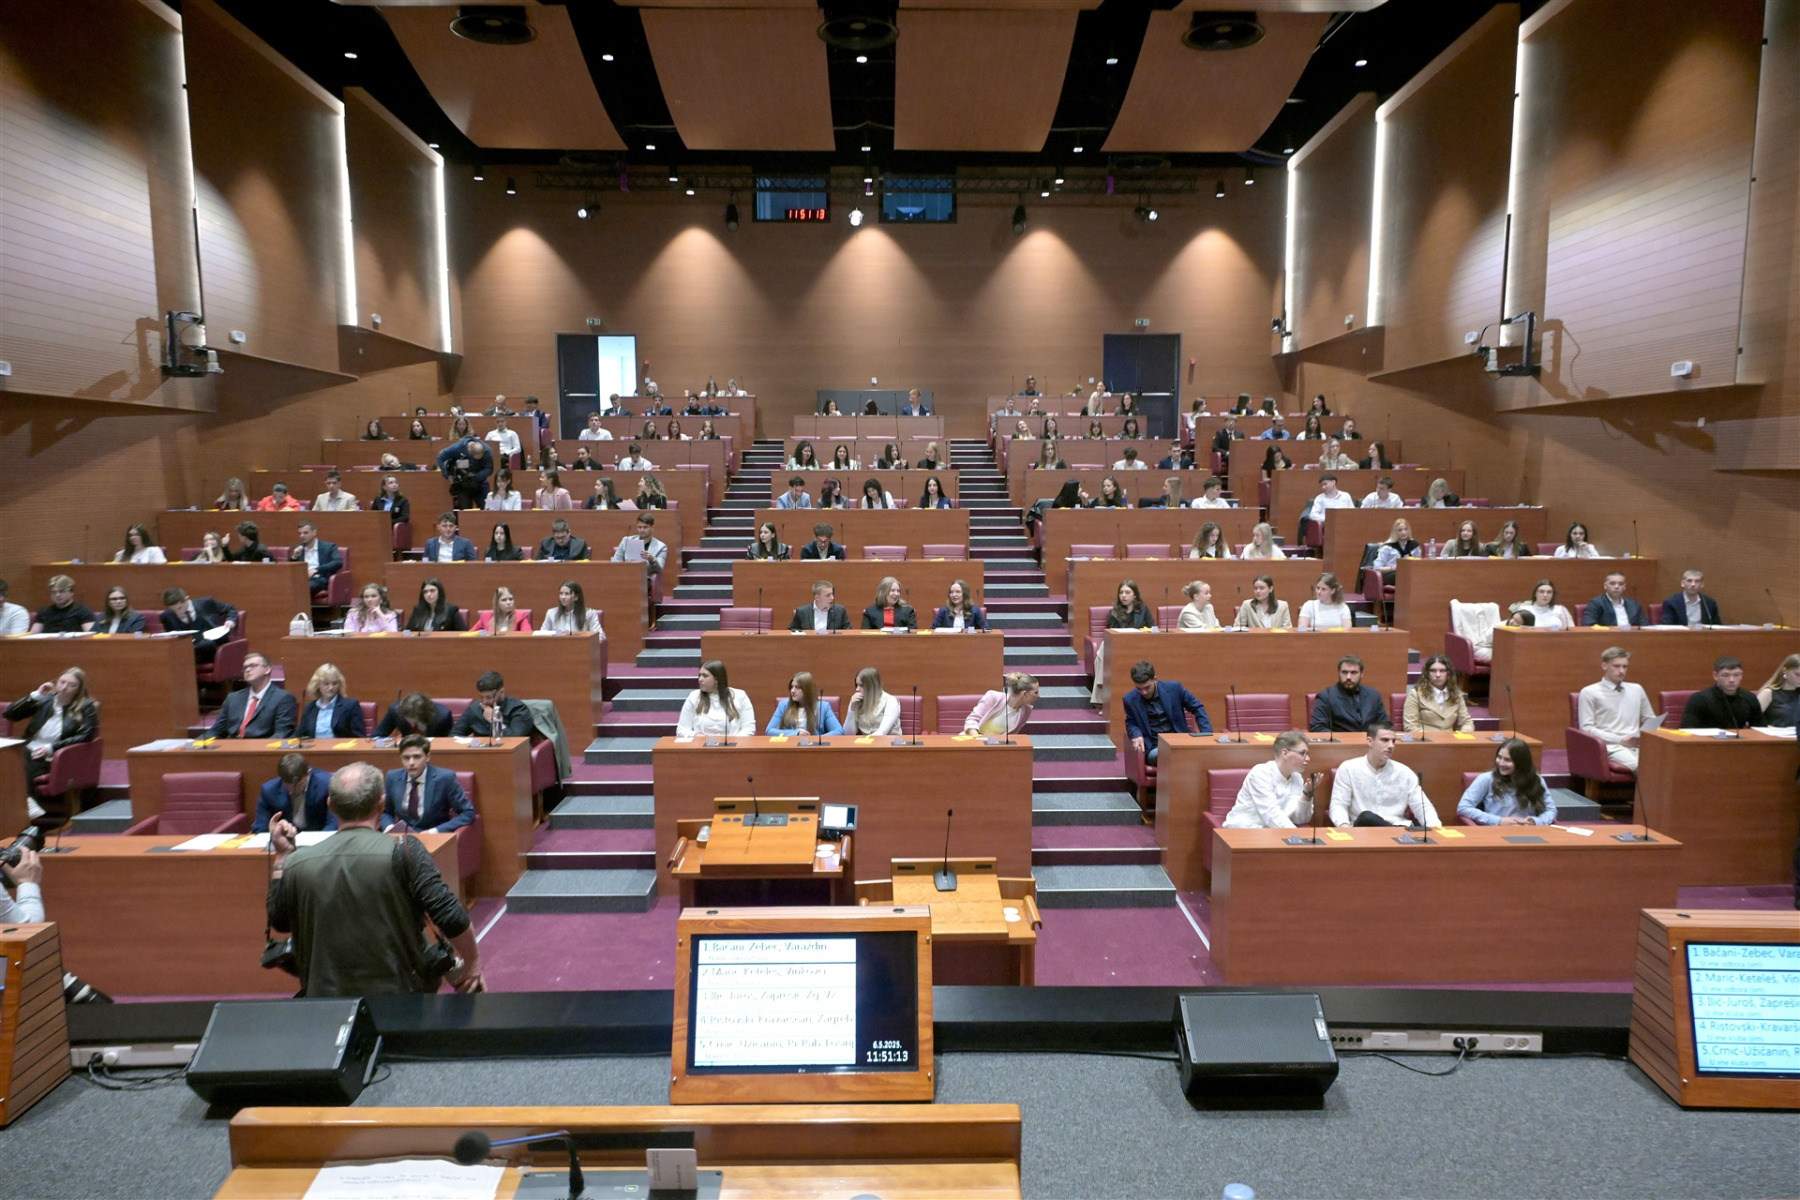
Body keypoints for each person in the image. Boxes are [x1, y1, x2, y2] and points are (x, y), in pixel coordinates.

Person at [266, 761, 482, 997]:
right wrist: (472, 964)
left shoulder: (297, 862)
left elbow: (279, 920)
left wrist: (282, 856)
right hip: (402, 995)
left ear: (331, 805)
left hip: (326, 995)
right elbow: (450, 916)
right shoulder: (405, 850)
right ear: (381, 803)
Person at [5, 669, 99, 827]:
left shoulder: (86, 707)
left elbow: (87, 735)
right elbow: (9, 714)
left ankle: (27, 806)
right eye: (62, 682)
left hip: (54, 757)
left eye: (71, 685)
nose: (64, 687)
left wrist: (52, 748)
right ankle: (26, 805)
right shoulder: (45, 700)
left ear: (78, 689)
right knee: (14, 756)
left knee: (21, 758)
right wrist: (35, 695)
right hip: (29, 750)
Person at [1330, 723, 1441, 829]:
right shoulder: (1348, 769)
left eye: (1393, 741)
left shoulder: (1405, 773)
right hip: (1362, 830)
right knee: (1367, 817)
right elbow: (1338, 804)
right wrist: (1344, 826)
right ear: (1370, 741)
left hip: (1398, 830)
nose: (1391, 746)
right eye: (1385, 740)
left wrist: (1435, 829)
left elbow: (1422, 806)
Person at [1578, 646, 1656, 772]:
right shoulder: (1589, 692)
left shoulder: (1637, 689)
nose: (1621, 671)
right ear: (1604, 666)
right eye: (1616, 666)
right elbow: (1587, 729)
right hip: (1611, 746)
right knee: (1643, 767)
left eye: (1625, 667)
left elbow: (1650, 719)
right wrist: (1620, 740)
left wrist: (1641, 737)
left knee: (1667, 763)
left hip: (1637, 744)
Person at [1220, 731, 1316, 829]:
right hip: (1245, 829)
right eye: (1302, 753)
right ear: (1285, 753)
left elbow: (1300, 819)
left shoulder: (1297, 778)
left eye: (1307, 754)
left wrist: (1307, 795)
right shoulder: (1260, 773)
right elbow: (1270, 813)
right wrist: (1295, 834)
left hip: (1274, 831)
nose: (1308, 758)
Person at [1123, 661, 1211, 763]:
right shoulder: (1130, 700)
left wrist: (1206, 734)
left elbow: (1197, 707)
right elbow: (1131, 723)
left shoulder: (1174, 688)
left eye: (1147, 687)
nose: (1144, 692)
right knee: (1169, 754)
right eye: (1139, 689)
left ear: (1155, 679)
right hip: (1155, 748)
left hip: (1180, 743)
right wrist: (1136, 734)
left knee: (1193, 752)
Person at [1458, 738, 1555, 826]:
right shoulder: (1486, 779)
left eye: (1507, 760)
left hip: (1529, 832)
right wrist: (1498, 821)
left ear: (1521, 763)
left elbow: (1551, 810)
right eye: (1499, 757)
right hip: (1496, 832)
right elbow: (1463, 807)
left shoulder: (1536, 780)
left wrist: (1536, 822)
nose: (1501, 763)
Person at [1091, 579, 1154, 706]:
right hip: (1118, 648)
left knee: (1101, 653)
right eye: (1121, 592)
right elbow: (1110, 634)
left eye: (1127, 592)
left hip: (1139, 646)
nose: (1123, 596)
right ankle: (1103, 694)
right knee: (1103, 647)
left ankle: (1100, 696)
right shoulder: (1114, 612)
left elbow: (1153, 628)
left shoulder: (1144, 610)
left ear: (1134, 595)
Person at [210, 651, 298, 740]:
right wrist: (201, 742)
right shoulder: (233, 698)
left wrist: (261, 747)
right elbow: (217, 730)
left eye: (253, 666)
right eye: (245, 667)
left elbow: (282, 733)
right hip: (233, 745)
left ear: (267, 669)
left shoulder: (283, 698)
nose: (247, 670)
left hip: (263, 746)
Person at [254, 753, 335, 833]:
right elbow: (260, 828)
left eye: (299, 784)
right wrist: (274, 834)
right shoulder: (269, 791)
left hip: (319, 836)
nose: (294, 790)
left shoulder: (327, 785)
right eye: (288, 786)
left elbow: (334, 823)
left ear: (308, 773)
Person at [1680, 656, 1766, 730]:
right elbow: (1687, 729)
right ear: (1715, 676)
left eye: (1736, 675)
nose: (1731, 680)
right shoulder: (1699, 699)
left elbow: (1760, 729)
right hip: (1706, 742)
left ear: (1742, 675)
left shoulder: (1750, 698)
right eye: (1725, 675)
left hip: (1737, 742)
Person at [677, 660, 755, 739]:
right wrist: (697, 737)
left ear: (717, 679)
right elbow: (681, 730)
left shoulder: (740, 696)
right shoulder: (694, 696)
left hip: (733, 745)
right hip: (702, 745)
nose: (700, 679)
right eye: (699, 675)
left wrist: (734, 741)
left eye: (705, 676)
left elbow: (749, 728)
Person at [1310, 655, 1389, 732]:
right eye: (1344, 672)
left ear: (1362, 674)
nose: (1348, 677)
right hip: (1341, 741)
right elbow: (1317, 727)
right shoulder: (1326, 696)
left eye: (1353, 673)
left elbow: (1385, 724)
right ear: (1339, 673)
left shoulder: (1373, 695)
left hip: (1369, 740)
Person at [452, 671, 535, 739]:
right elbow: (454, 735)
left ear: (501, 692)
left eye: (489, 697)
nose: (484, 702)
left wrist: (494, 720)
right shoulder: (474, 709)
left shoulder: (518, 709)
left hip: (508, 752)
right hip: (480, 751)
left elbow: (515, 740)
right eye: (482, 697)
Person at [1404, 654, 1475, 733]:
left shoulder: (1456, 694)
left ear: (1448, 674)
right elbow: (1410, 727)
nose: (1438, 675)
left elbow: (1467, 723)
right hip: (1425, 738)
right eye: (1433, 671)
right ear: (1427, 673)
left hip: (1450, 739)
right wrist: (1432, 739)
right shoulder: (1415, 694)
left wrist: (1463, 734)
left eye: (1442, 671)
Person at [159, 587, 237, 659]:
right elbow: (173, 639)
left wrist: (230, 620)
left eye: (179, 608)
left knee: (206, 645)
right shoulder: (166, 616)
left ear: (187, 599)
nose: (177, 612)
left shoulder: (206, 603)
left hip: (212, 645)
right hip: (188, 649)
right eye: (173, 610)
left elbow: (230, 608)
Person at [766, 671, 843, 736]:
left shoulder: (823, 707)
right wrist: (795, 733)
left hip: (813, 748)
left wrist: (817, 740)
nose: (793, 691)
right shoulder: (783, 706)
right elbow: (769, 731)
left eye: (797, 687)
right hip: (790, 746)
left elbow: (839, 731)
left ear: (807, 690)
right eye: (792, 687)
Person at [299, 663, 365, 739]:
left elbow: (359, 737)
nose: (331, 688)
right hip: (314, 746)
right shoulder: (310, 707)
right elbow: (299, 734)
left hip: (340, 746)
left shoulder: (350, 706)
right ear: (317, 685)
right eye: (326, 684)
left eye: (334, 683)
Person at [964, 672, 1039, 738]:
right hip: (972, 742)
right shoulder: (993, 697)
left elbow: (1012, 734)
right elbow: (972, 720)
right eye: (1036, 692)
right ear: (1025, 694)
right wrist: (977, 740)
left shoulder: (1026, 711)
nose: (1038, 696)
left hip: (996, 746)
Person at [437, 436, 492, 510]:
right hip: (463, 484)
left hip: (481, 483)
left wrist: (475, 475)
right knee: (464, 512)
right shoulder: (457, 448)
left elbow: (489, 469)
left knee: (486, 509)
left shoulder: (487, 450)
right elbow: (440, 457)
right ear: (468, 451)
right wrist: (447, 474)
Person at [843, 666, 902, 736]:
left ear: (872, 687)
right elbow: (848, 734)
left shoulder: (890, 701)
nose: (857, 689)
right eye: (857, 685)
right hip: (867, 742)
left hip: (888, 741)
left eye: (861, 685)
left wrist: (866, 741)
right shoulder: (857, 702)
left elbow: (882, 732)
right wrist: (851, 709)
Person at [291, 521, 343, 594]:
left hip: (320, 578)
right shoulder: (298, 548)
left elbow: (338, 562)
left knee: (304, 587)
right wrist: (295, 556)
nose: (302, 536)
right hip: (302, 579)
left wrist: (317, 570)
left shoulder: (328, 547)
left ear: (314, 532)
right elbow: (291, 569)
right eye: (300, 533)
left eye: (305, 533)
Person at [1582, 571, 1649, 627]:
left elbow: (1644, 626)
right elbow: (1588, 624)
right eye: (1612, 583)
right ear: (1605, 586)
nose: (1617, 587)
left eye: (1621, 584)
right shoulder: (1596, 603)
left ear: (1625, 587)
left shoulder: (1634, 604)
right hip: (1608, 637)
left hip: (1632, 637)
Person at [538, 580, 604, 636]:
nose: (563, 597)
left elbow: (600, 636)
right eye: (561, 593)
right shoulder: (551, 613)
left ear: (576, 597)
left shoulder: (589, 614)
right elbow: (541, 635)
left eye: (567, 594)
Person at [375, 692, 454, 738]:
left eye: (416, 721)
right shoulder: (395, 710)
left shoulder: (443, 715)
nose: (412, 725)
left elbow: (449, 742)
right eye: (408, 719)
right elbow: (377, 736)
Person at [1370, 517, 1420, 584]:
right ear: (1395, 532)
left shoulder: (1414, 545)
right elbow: (1377, 568)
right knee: (1403, 576)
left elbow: (1418, 563)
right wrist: (1393, 568)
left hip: (1408, 573)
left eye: (1405, 529)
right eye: (1400, 530)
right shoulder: (1387, 547)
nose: (1403, 532)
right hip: (1390, 573)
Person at [1755, 654, 1800, 727]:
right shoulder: (1768, 693)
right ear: (1784, 671)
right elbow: (1752, 721)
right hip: (1773, 733)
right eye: (1797, 674)